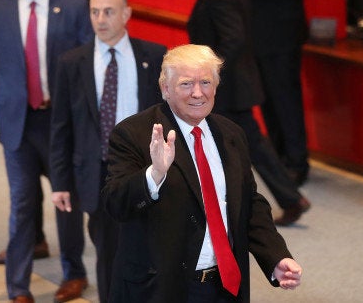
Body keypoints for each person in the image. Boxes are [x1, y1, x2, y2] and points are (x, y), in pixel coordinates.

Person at [101, 43, 302, 303]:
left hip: (225, 286)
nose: (198, 93)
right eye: (186, 84)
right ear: (165, 89)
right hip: (161, 290)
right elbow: (115, 203)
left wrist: (275, 257)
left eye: (206, 82)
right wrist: (154, 175)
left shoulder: (231, 134)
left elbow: (248, 205)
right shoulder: (134, 134)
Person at [0, 0, 93, 302]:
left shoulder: (75, 6)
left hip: (61, 123)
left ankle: (74, 273)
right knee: (22, 204)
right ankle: (18, 287)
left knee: (66, 202)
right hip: (18, 124)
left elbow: (88, 64)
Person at [49, 0, 167, 302]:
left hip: (147, 170)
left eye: (109, 12)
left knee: (152, 249)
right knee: (107, 252)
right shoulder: (72, 63)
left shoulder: (154, 58)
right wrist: (60, 182)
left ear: (126, 14)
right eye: (94, 12)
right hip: (98, 173)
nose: (100, 19)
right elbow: (61, 129)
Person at [187, 0, 310, 226]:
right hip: (232, 84)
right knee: (249, 144)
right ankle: (290, 198)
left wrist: (207, 75)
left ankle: (289, 199)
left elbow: (233, 39)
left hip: (228, 86)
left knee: (250, 145)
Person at [251, 0, 310, 185]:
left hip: (282, 31)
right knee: (266, 100)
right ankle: (278, 158)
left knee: (286, 100)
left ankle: (296, 163)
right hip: (255, 31)